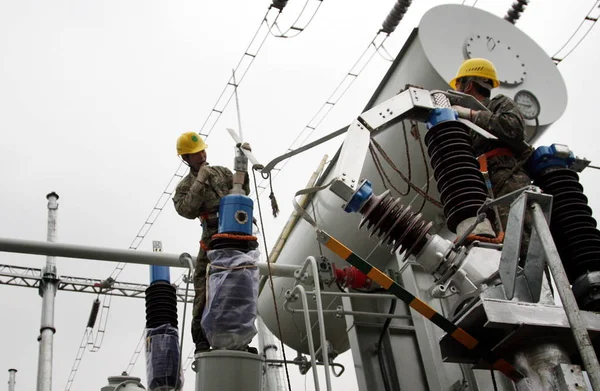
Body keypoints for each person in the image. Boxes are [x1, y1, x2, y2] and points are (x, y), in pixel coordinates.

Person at [172, 132, 250, 353]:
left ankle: (240, 339)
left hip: (237, 236)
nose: (202, 156)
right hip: (212, 241)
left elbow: (242, 190)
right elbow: (187, 209)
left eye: (203, 151)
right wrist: (201, 179)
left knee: (239, 287)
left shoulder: (221, 173)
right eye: (196, 154)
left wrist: (243, 163)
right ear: (185, 158)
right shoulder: (185, 186)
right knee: (204, 290)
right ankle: (201, 340)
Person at [449, 58, 533, 253]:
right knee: (501, 247)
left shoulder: (499, 104)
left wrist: (472, 114)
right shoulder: (464, 124)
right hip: (485, 188)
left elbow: (514, 128)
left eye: (460, 85)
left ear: (468, 85)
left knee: (522, 241)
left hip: (508, 179)